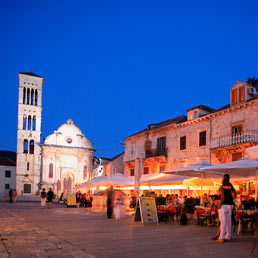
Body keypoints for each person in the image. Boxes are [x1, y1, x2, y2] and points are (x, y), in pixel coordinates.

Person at [217, 174, 236, 243]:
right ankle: (228, 237)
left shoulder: (222, 187)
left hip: (224, 205)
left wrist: (219, 205)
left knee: (223, 222)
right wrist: (233, 197)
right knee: (228, 222)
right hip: (230, 205)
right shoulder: (231, 186)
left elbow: (222, 198)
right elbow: (235, 193)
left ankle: (221, 238)